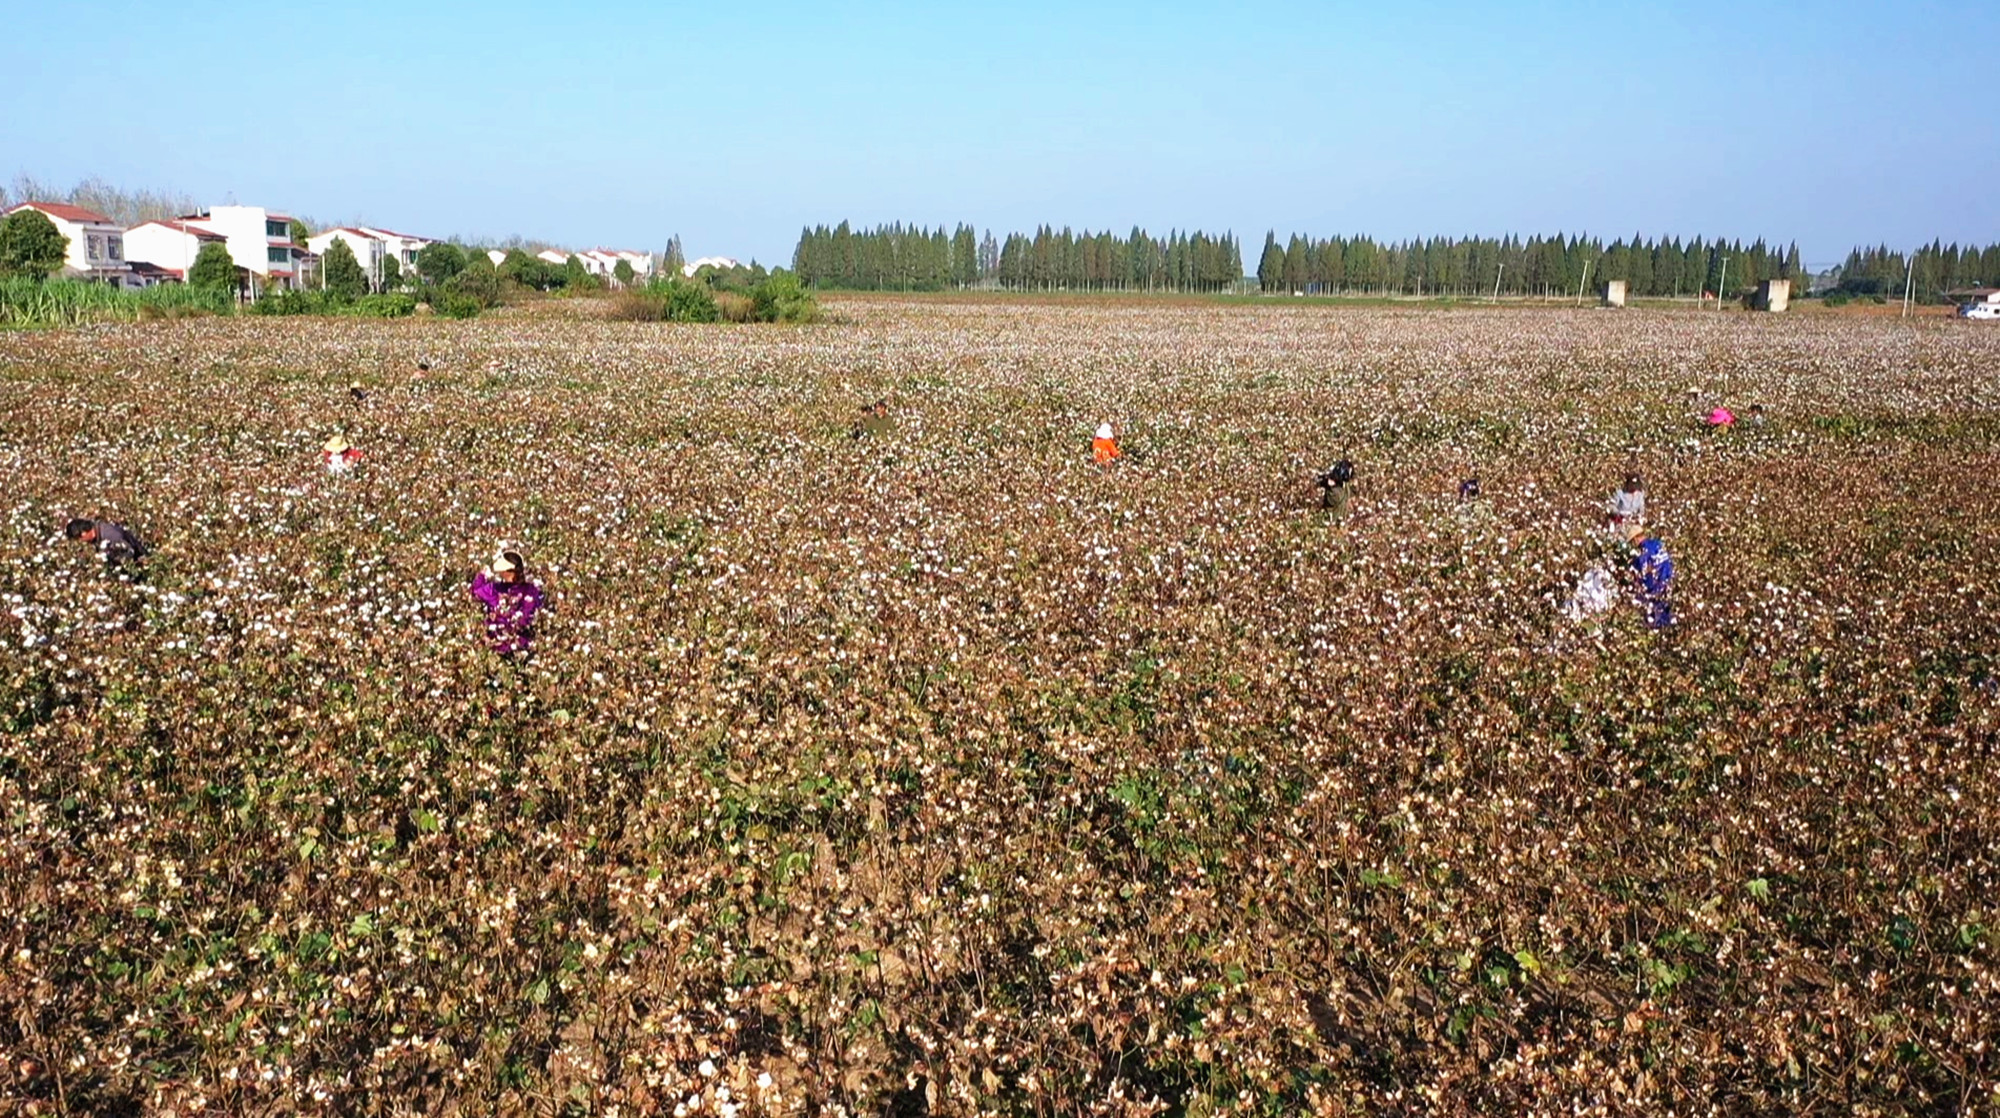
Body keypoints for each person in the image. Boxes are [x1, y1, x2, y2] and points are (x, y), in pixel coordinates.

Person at [470, 550, 543, 657]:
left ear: (507, 572)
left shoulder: (495, 589)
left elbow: (475, 591)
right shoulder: (532, 590)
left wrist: (482, 575)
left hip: (498, 644)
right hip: (522, 644)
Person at [1628, 524, 1675, 630]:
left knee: (1657, 620)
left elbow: (1645, 571)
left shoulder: (1644, 552)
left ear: (1635, 539)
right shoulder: (1658, 543)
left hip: (1657, 587)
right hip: (1669, 581)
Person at [65, 516, 150, 571]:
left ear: (84, 533)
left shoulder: (110, 535)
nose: (82, 541)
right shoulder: (97, 531)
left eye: (80, 538)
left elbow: (130, 552)